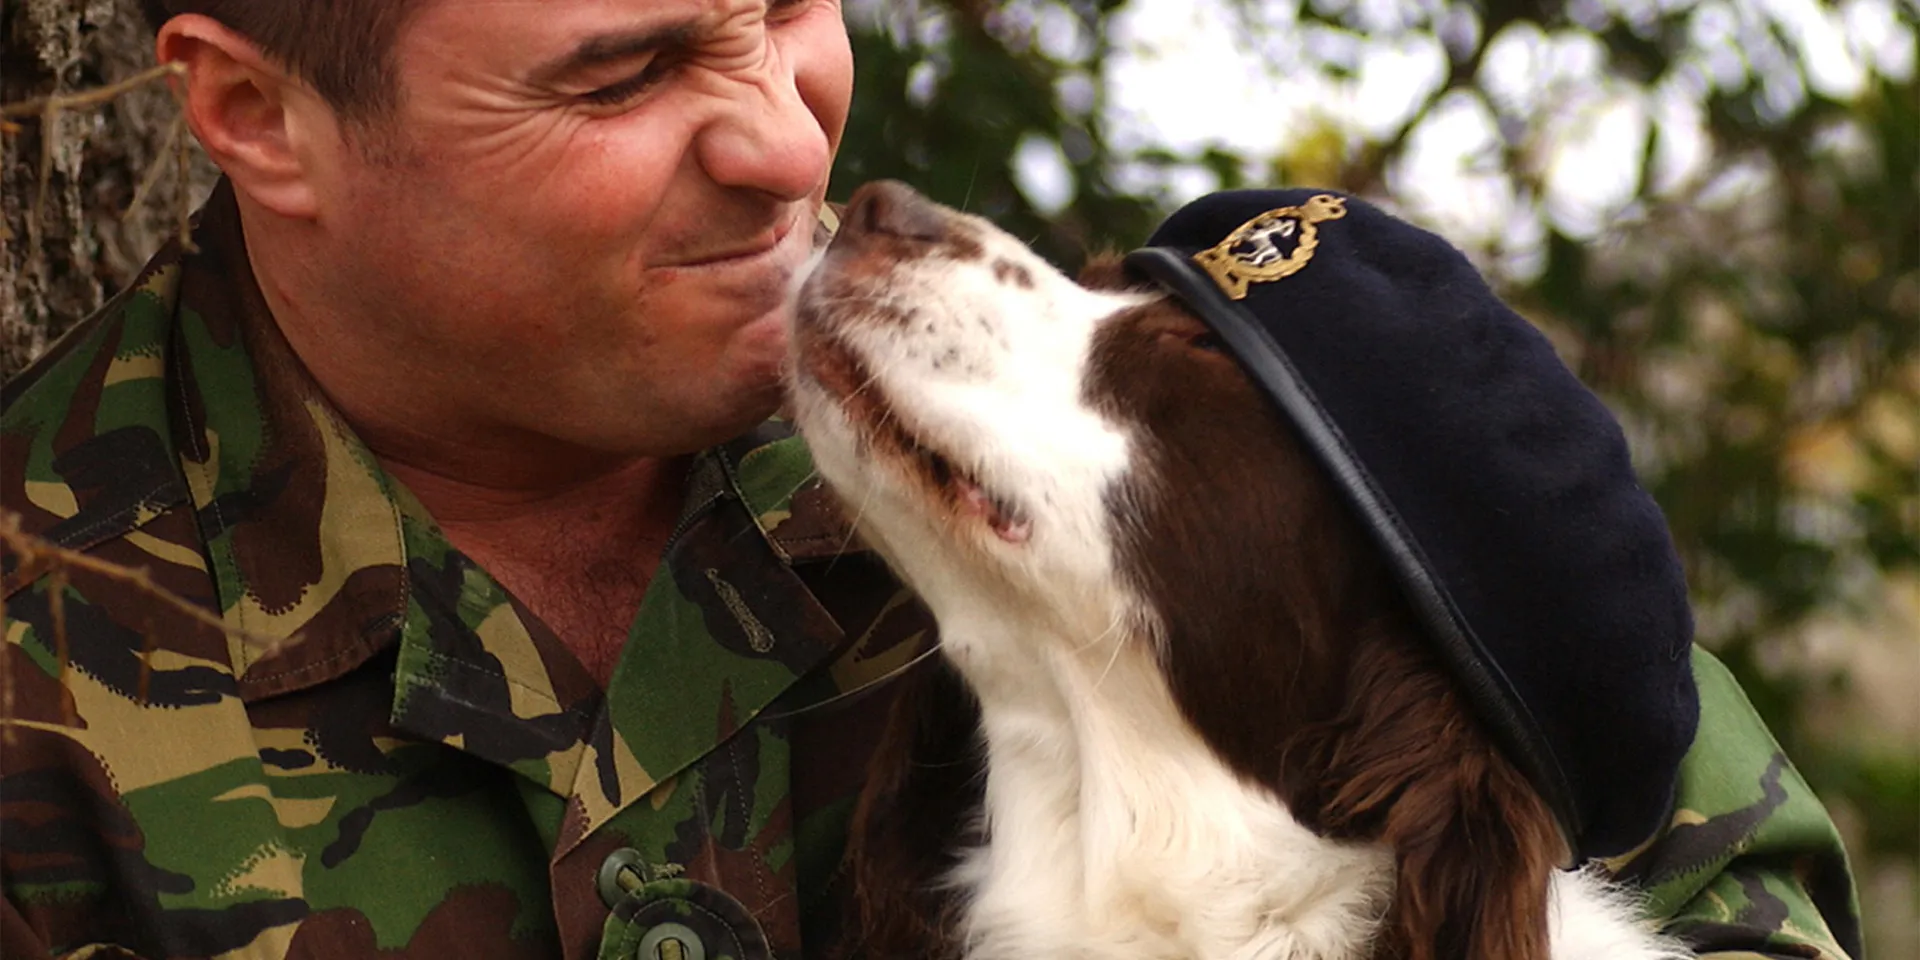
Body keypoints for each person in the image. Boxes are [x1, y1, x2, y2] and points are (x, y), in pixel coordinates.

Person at [0, 2, 1862, 958]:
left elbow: (1655, 818)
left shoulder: (1094, 421)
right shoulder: (44, 674)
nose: (785, 129)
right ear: (254, 116)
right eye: (623, 72)